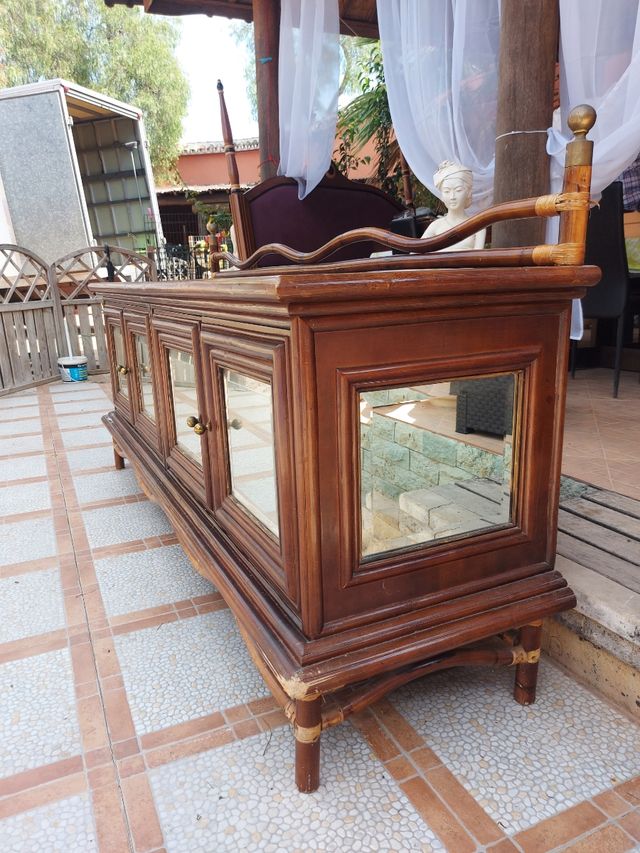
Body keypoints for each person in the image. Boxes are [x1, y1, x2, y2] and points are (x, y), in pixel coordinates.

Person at [422, 161, 486, 251]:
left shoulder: (477, 226)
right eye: (447, 191)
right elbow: (416, 253)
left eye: (458, 190)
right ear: (442, 195)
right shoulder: (435, 226)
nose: (452, 197)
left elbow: (479, 257)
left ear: (468, 192)